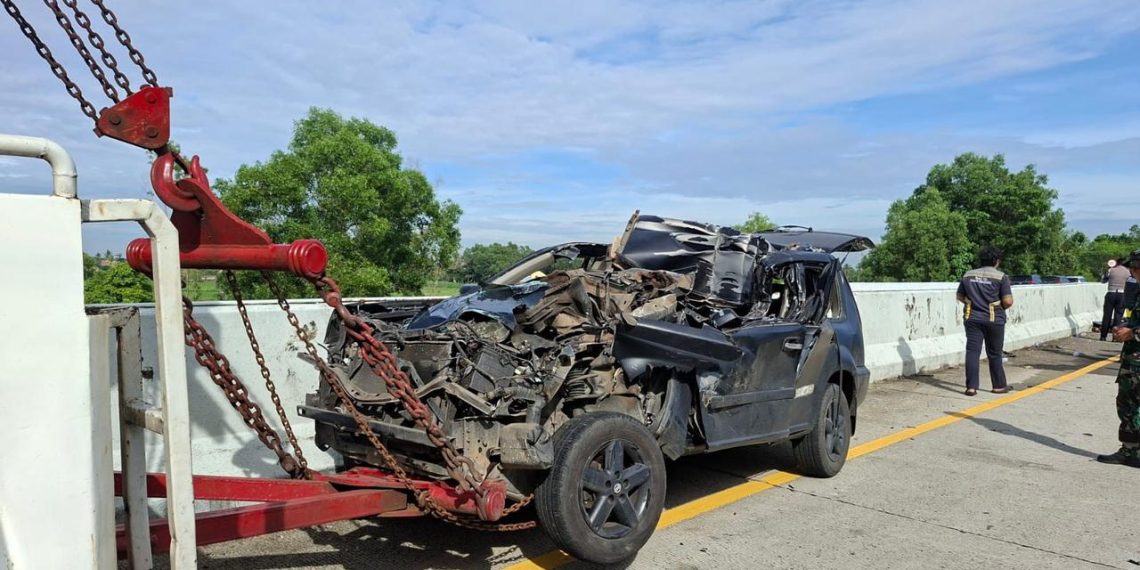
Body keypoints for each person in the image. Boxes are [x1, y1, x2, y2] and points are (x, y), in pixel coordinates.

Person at [1097, 250, 1140, 468]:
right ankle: (1130, 451)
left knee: (1133, 407)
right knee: (1128, 406)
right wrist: (1125, 328)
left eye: (1136, 268)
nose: (1133, 272)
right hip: (1133, 359)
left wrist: (1133, 333)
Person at [956, 246, 1014, 396]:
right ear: (995, 260)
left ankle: (971, 387)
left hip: (972, 318)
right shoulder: (1001, 277)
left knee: (972, 352)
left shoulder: (968, 275)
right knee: (994, 353)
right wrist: (997, 306)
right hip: (994, 319)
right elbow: (1008, 301)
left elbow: (959, 296)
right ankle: (998, 386)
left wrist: (971, 303)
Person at [1101, 258, 1129, 341]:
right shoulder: (1127, 271)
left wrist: (1106, 271)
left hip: (1111, 293)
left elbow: (1103, 280)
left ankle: (1103, 336)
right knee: (1118, 317)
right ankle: (1115, 337)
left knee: (1107, 316)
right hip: (1122, 294)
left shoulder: (1111, 270)